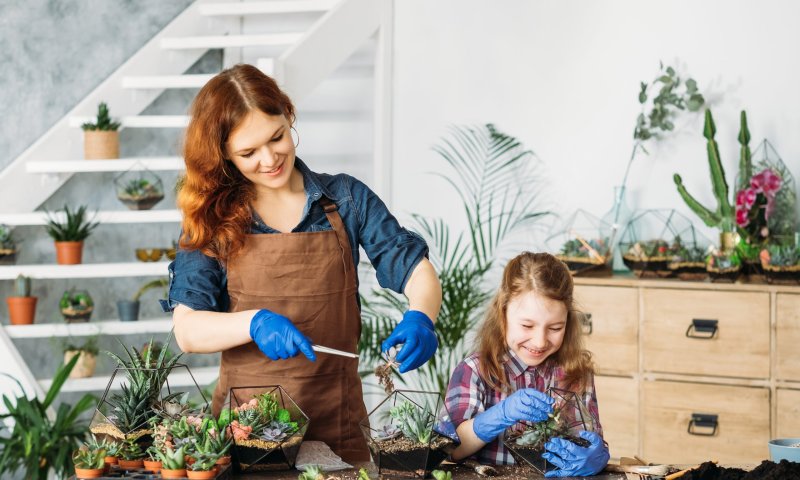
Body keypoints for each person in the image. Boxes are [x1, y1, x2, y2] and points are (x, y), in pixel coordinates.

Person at [162, 63, 442, 462]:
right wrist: (253, 321)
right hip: (249, 432)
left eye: (276, 137)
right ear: (223, 155)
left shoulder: (346, 199)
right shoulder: (214, 219)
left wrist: (421, 317)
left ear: (288, 116)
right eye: (247, 152)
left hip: (339, 422)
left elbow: (414, 268)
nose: (269, 158)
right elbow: (188, 330)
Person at [445, 252, 609, 477]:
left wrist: (596, 456)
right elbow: (452, 449)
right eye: (527, 326)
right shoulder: (475, 370)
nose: (540, 341)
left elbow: (589, 440)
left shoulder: (575, 372)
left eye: (555, 328)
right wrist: (499, 415)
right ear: (502, 315)